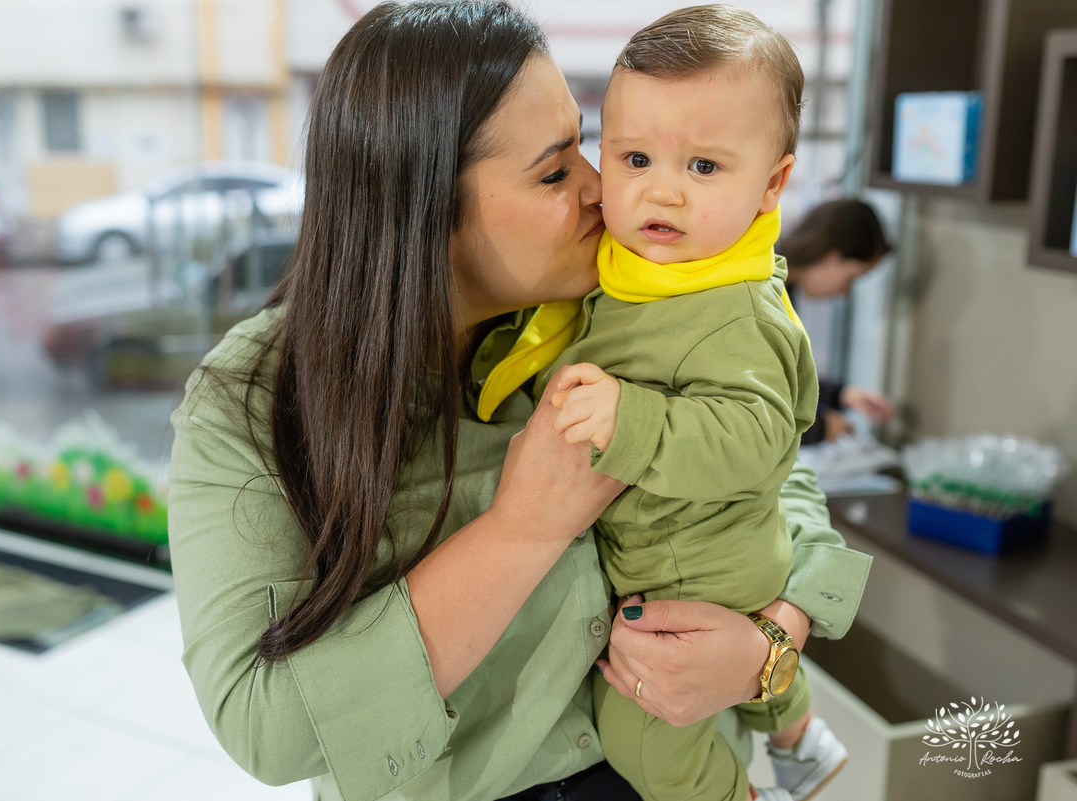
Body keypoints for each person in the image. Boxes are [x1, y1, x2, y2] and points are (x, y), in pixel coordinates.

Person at [165, 4, 872, 801]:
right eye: (555, 170)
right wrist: (522, 529)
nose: (608, 191)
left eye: (586, 145)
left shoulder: (616, 293)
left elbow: (772, 463)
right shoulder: (256, 399)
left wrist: (770, 642)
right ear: (425, 209)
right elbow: (265, 726)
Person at [473, 7, 836, 800]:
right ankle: (801, 734)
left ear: (774, 182)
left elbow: (759, 443)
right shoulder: (640, 266)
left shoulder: (735, 308)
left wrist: (630, 421)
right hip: (673, 557)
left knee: (642, 735)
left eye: (704, 167)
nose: (661, 189)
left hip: (695, 571)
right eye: (635, 157)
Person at [779, 198, 895, 445]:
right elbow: (752, 398)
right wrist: (818, 429)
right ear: (832, 255)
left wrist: (841, 395)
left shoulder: (783, 286)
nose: (845, 292)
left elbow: (781, 372)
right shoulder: (764, 291)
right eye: (851, 278)